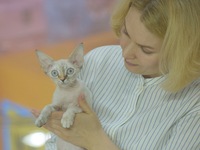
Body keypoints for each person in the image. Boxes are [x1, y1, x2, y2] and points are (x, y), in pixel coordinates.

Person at [32, 0, 200, 149]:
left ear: (183, 51)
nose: (126, 53)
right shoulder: (97, 61)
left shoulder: (194, 106)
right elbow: (55, 142)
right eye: (126, 33)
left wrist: (96, 141)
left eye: (146, 50)